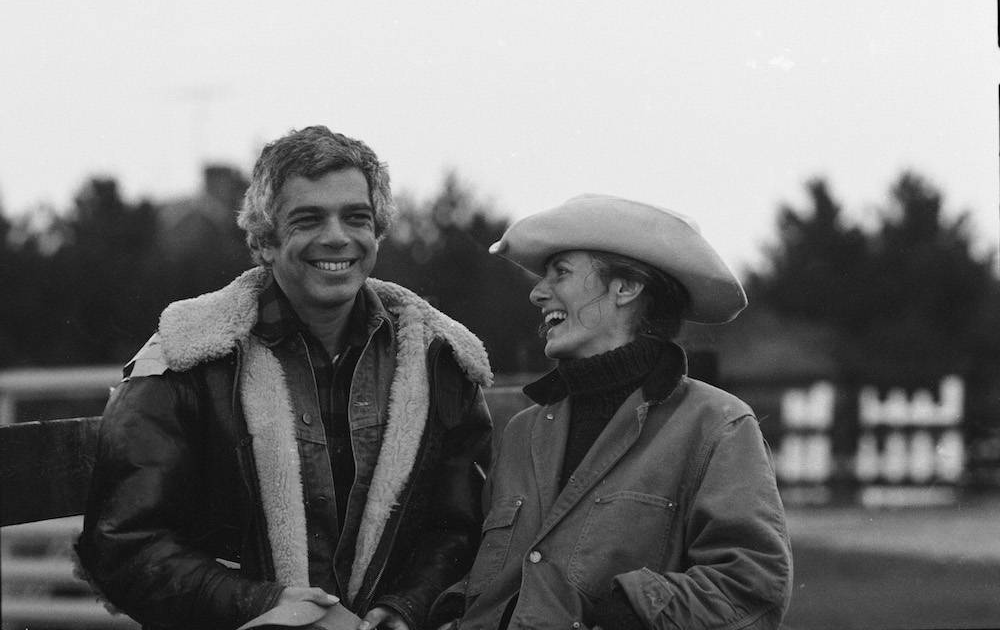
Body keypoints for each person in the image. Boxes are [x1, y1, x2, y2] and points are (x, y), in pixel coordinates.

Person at [75, 126, 494, 630]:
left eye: (356, 217)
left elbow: (458, 527)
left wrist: (406, 608)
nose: (337, 236)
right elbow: (124, 542)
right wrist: (268, 607)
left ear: (377, 233)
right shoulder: (186, 355)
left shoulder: (437, 359)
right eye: (308, 219)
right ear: (266, 241)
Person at [432, 195, 792, 629]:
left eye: (560, 272)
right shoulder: (522, 430)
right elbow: (489, 577)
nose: (537, 292)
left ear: (626, 288)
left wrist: (633, 611)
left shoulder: (718, 426)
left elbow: (751, 586)